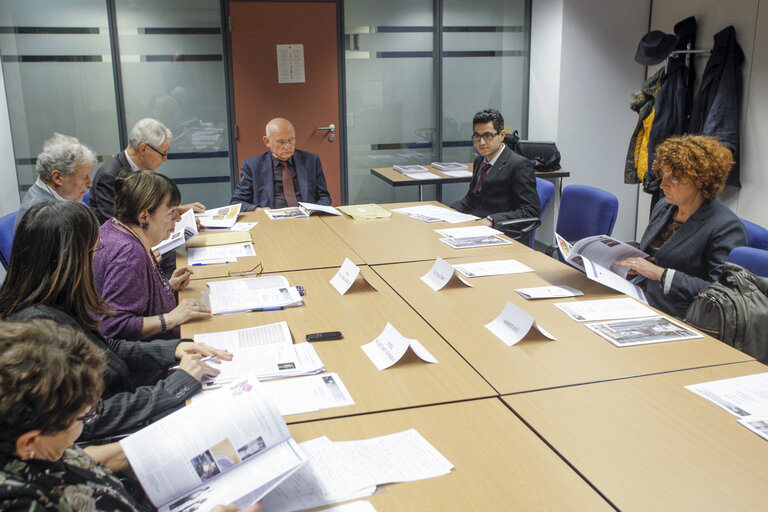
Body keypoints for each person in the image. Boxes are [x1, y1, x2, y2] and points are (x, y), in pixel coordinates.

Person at [0, 200, 229, 443]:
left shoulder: (59, 301)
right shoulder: (37, 331)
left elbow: (106, 348)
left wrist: (173, 349)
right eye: (94, 250)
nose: (98, 257)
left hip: (131, 403)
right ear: (70, 261)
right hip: (120, 432)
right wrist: (175, 386)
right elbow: (88, 418)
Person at [0, 319, 262, 512]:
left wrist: (179, 441)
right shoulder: (20, 503)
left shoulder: (35, 443)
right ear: (30, 442)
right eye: (85, 416)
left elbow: (79, 457)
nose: (90, 419)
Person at [616, 135, 747, 318]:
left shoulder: (725, 227)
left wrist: (662, 274)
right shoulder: (665, 207)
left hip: (677, 313)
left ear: (701, 180)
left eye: (675, 178)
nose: (663, 184)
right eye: (663, 174)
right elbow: (654, 252)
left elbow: (722, 294)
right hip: (638, 295)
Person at [93, 170, 211, 340]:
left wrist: (166, 287)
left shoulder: (112, 228)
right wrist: (171, 318)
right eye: (171, 212)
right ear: (143, 216)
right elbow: (113, 327)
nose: (178, 218)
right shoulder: (128, 254)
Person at [91, 118, 205, 225]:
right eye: (163, 153)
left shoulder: (143, 170)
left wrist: (177, 210)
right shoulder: (109, 175)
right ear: (143, 149)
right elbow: (115, 225)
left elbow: (148, 208)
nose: (165, 159)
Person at [450, 108, 540, 227]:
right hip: (476, 225)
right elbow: (471, 198)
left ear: (501, 135)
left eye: (488, 136)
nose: (481, 142)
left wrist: (491, 220)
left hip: (502, 232)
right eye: (477, 136)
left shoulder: (519, 165)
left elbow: (530, 211)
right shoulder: (479, 161)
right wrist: (451, 211)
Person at [230, 117, 331, 210]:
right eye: (281, 142)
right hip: (272, 222)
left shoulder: (311, 161)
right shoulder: (252, 166)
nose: (287, 146)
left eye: (291, 140)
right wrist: (257, 210)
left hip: (306, 219)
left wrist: (315, 211)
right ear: (267, 142)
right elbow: (236, 202)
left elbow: (324, 197)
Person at [14, 133, 96, 231]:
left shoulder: (66, 195)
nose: (89, 183)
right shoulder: (38, 217)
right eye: (83, 177)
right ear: (58, 178)